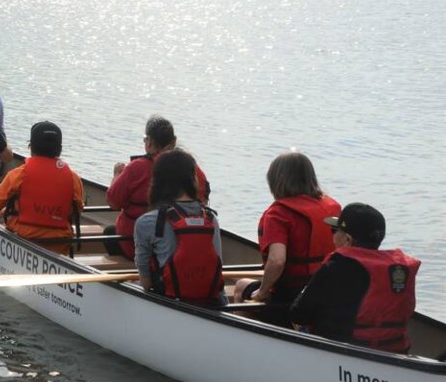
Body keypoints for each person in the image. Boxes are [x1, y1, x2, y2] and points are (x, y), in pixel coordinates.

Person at [290, 203, 420, 353]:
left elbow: (299, 314)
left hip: (342, 353)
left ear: (347, 239)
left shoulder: (334, 267)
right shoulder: (397, 270)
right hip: (393, 351)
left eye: (334, 230)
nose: (332, 235)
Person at [0, 121, 84, 254]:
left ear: (31, 147)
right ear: (59, 149)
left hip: (23, 239)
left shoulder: (18, 175)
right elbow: (76, 211)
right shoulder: (74, 178)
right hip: (59, 244)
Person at [234, 152, 341, 308]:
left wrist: (262, 292)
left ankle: (249, 331)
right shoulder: (332, 207)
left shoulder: (279, 214)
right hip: (327, 291)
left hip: (291, 297)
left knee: (240, 286)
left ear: (276, 181)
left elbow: (277, 261)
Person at [104, 115, 210, 260]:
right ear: (173, 141)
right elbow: (203, 198)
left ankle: (128, 275)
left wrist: (117, 175)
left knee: (109, 234)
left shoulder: (137, 168)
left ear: (150, 142)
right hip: (182, 242)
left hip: (142, 244)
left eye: (145, 139)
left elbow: (113, 201)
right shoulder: (190, 167)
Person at [133, 149, 223, 304]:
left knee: (135, 286)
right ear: (192, 180)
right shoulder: (210, 218)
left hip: (170, 301)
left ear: (158, 181)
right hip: (212, 302)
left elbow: (146, 284)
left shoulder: (146, 222)